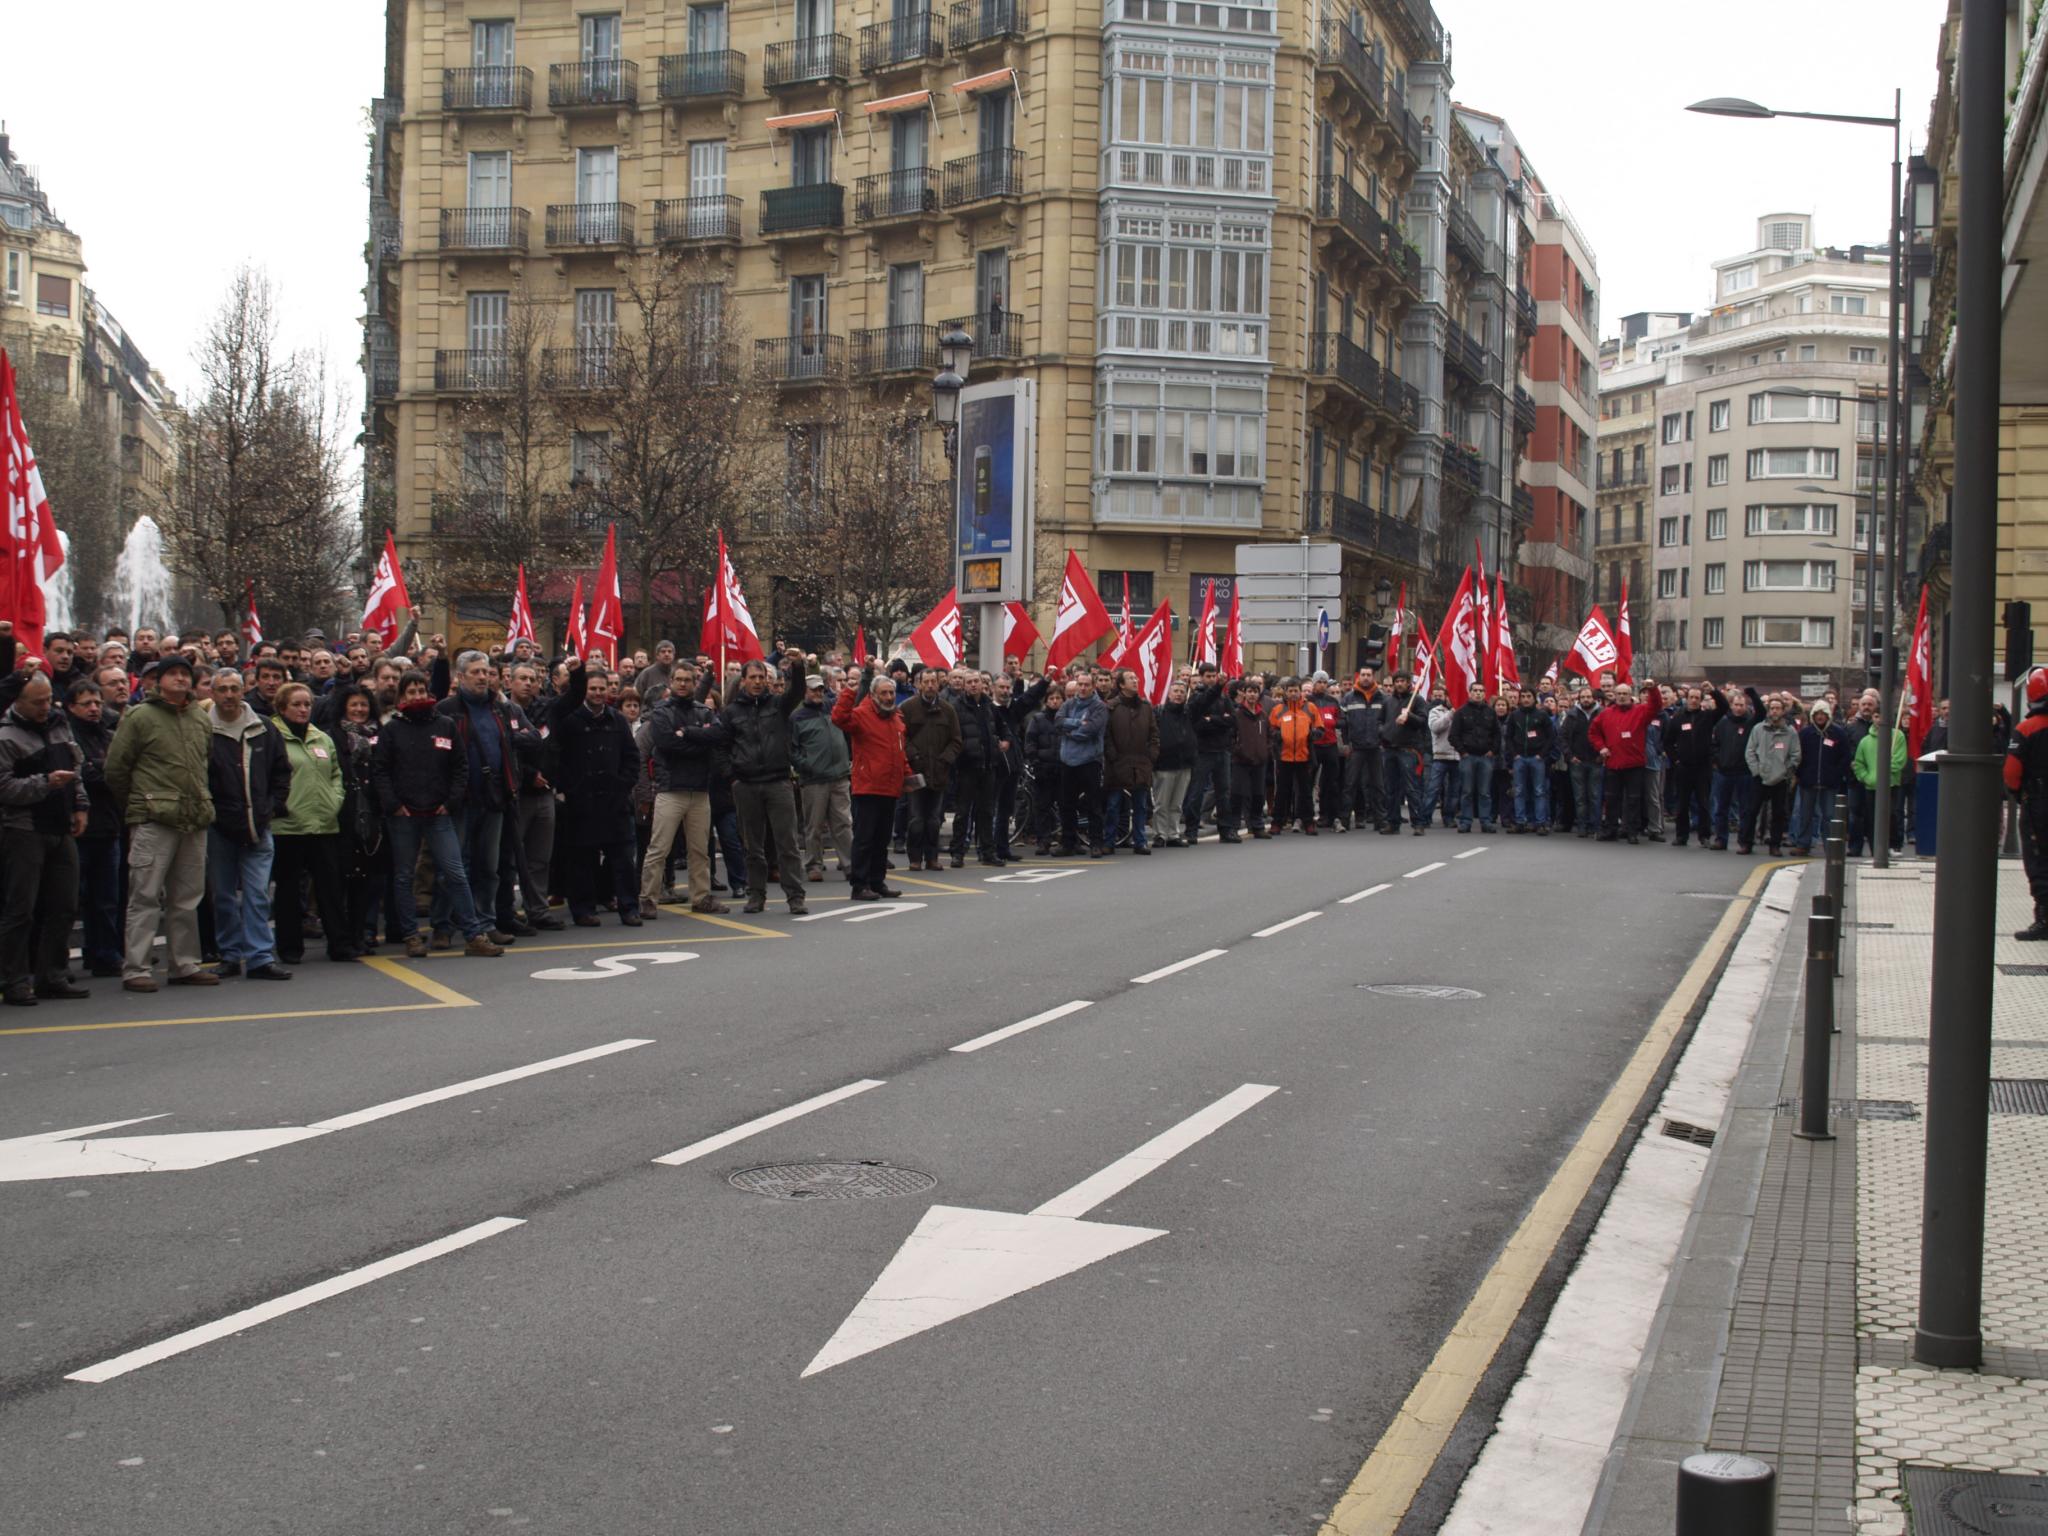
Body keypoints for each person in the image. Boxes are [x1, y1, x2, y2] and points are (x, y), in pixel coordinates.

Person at [105, 655, 221, 992]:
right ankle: (136, 968)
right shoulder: (140, 716)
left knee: (187, 897)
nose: (181, 680)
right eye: (173, 674)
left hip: (194, 816)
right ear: (157, 681)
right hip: (154, 818)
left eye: (186, 674)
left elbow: (205, 761)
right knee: (144, 895)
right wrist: (139, 803)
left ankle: (184, 964)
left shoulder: (200, 717)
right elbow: (116, 768)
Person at [373, 669, 504, 958]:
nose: (417, 696)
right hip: (404, 816)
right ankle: (411, 936)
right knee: (404, 877)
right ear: (402, 696)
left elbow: (460, 767)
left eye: (421, 690)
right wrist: (394, 804)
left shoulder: (444, 725)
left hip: (440, 813)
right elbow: (380, 770)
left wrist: (452, 800)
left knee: (456, 874)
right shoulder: (392, 729)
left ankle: (474, 935)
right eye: (411, 691)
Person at [0, 670, 90, 1005]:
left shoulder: (58, 724)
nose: (44, 707)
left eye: (47, 699)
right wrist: (44, 783)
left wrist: (81, 805)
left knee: (64, 905)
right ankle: (15, 979)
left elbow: (76, 767)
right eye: (37, 702)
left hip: (60, 826)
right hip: (23, 829)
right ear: (18, 702)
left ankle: (52, 973)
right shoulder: (6, 735)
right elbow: (4, 787)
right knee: (20, 909)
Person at [202, 667, 294, 980]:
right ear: (213, 693)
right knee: (224, 896)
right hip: (219, 829)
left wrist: (273, 807)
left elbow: (282, 772)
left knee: (257, 895)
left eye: (234, 688)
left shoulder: (264, 728)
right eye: (222, 689)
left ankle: (259, 957)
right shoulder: (203, 729)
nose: (229, 695)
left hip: (258, 826)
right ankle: (229, 954)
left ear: (244, 691)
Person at [433, 650, 523, 945]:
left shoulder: (500, 709)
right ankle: (443, 926)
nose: (483, 677)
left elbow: (518, 742)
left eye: (485, 672)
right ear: (460, 677)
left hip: (493, 798)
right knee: (453, 867)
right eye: (476, 672)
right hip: (459, 800)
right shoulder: (447, 709)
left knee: (489, 867)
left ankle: (486, 922)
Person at [549, 667, 646, 926]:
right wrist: (571, 789)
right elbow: (560, 759)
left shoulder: (618, 720)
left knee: (624, 860)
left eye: (602, 688)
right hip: (582, 803)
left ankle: (629, 907)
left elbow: (632, 758)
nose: (598, 693)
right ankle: (583, 909)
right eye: (593, 688)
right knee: (582, 860)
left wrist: (623, 784)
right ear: (585, 690)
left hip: (615, 802)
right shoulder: (571, 721)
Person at [719, 652, 811, 915]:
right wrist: (732, 776)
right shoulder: (732, 712)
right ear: (743, 681)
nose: (758, 682)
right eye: (753, 677)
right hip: (746, 785)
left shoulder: (779, 705)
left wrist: (796, 665)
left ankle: (795, 896)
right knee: (752, 847)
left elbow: (798, 690)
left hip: (778, 782)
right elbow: (722, 747)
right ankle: (756, 895)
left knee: (788, 844)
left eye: (762, 677)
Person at [270, 682, 354, 965]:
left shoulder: (322, 738)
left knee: (331, 888)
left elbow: (335, 775)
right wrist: (281, 807)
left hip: (323, 823)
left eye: (307, 704)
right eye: (296, 704)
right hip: (289, 826)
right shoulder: (272, 736)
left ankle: (340, 945)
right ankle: (290, 948)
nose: (303, 709)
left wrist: (334, 802)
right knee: (289, 891)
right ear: (282, 708)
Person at [642, 664, 731, 916]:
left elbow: (718, 735)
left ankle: (701, 897)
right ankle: (648, 898)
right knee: (659, 848)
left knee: (700, 850)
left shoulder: (703, 711)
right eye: (678, 680)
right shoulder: (660, 712)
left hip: (700, 790)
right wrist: (699, 741)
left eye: (688, 680)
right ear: (671, 682)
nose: (683, 684)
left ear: (694, 683)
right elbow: (666, 743)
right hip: (670, 788)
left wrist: (688, 734)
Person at [832, 663, 909, 901]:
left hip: (890, 787)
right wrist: (849, 691)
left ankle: (877, 881)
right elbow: (839, 717)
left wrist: (907, 774)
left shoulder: (896, 718)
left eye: (891, 693)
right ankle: (860, 884)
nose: (888, 697)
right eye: (884, 693)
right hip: (868, 787)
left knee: (881, 839)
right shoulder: (862, 714)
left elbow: (899, 751)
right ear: (874, 695)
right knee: (864, 839)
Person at [64, 679, 125, 978]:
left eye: (97, 703)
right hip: (77, 827)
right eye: (86, 703)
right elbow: (84, 773)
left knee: (106, 899)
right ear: (71, 707)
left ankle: (104, 954)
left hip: (108, 825)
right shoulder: (66, 735)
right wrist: (103, 769)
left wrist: (101, 769)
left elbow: (120, 772)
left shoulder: (109, 734)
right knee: (69, 898)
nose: (93, 709)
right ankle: (56, 961)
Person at [792, 672, 855, 882]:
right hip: (814, 779)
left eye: (820, 689)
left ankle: (850, 864)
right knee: (814, 825)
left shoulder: (831, 707)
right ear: (804, 692)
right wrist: (807, 766)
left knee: (843, 824)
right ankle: (813, 865)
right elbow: (791, 749)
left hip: (839, 775)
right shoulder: (796, 717)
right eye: (813, 690)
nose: (818, 693)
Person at [899, 667, 961, 872]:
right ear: (918, 684)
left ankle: (932, 857)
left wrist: (945, 760)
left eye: (933, 682)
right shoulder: (907, 708)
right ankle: (915, 858)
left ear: (938, 683)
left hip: (939, 772)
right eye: (925, 682)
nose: (930, 686)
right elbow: (901, 738)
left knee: (934, 820)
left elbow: (956, 741)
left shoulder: (948, 709)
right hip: (916, 772)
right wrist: (913, 756)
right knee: (916, 819)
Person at [945, 668, 1005, 867]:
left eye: (975, 681)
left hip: (988, 766)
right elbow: (953, 736)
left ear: (982, 684)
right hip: (967, 767)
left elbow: (999, 728)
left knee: (987, 811)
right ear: (964, 685)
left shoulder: (989, 706)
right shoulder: (956, 706)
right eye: (968, 682)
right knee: (963, 812)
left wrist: (1001, 743)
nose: (972, 685)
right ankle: (958, 852)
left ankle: (987, 852)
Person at [1588, 677, 1660, 843]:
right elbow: (1593, 732)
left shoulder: (1640, 711)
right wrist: (1601, 747)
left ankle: (1632, 831)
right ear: (1614, 695)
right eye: (1619, 693)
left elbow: (1655, 706)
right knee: (1612, 798)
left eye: (1625, 694)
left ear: (1630, 695)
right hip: (1613, 764)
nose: (1621, 697)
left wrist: (1652, 689)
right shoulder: (1605, 714)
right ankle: (1611, 830)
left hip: (1634, 764)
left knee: (1634, 799)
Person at [2005, 668, 2048, 940]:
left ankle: (2043, 918)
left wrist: (2018, 793)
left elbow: (2011, 772)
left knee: (2038, 858)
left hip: (2037, 803)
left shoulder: (2026, 729)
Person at [1103, 668, 1161, 854]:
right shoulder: (1111, 706)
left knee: (1140, 806)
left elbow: (1154, 734)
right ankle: (1109, 841)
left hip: (1141, 762)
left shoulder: (1145, 706)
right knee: (1113, 806)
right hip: (1118, 763)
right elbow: (1106, 735)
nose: (1135, 681)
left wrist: (1151, 755)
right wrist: (1112, 755)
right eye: (1130, 678)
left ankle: (1140, 841)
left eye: (1136, 678)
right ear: (1121, 684)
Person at [1741, 694, 1802, 857]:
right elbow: (1750, 752)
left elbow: (1795, 755)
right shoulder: (1758, 729)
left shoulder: (1790, 732)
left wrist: (1786, 772)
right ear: (1768, 711)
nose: (1775, 711)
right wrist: (1756, 771)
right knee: (1751, 811)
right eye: (1772, 708)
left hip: (1780, 778)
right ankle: (1746, 842)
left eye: (1778, 708)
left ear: (1783, 711)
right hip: (1760, 776)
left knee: (1779, 813)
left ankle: (1775, 845)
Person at [1055, 676, 1110, 855]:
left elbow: (1091, 730)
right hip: (1067, 761)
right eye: (1080, 684)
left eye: (1087, 685)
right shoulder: (1068, 704)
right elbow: (1058, 722)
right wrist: (1078, 723)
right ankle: (1068, 843)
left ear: (1093, 686)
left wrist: (1069, 732)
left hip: (1089, 761)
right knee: (1066, 804)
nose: (1083, 688)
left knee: (1094, 805)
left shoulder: (1099, 707)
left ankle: (1096, 843)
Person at [1790, 700, 1850, 855]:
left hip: (1829, 783)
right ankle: (1803, 844)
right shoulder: (1805, 734)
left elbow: (1845, 757)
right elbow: (1797, 755)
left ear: (1828, 715)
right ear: (1813, 716)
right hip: (1808, 782)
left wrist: (1836, 774)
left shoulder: (1838, 734)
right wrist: (1800, 774)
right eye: (1817, 714)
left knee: (1829, 816)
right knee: (1805, 815)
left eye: (1823, 714)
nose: (1820, 717)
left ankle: (1830, 846)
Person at [1851, 705, 1908, 857]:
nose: (1879, 719)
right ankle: (1875, 847)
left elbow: (1899, 760)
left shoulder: (1898, 736)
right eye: (1876, 716)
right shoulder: (1865, 741)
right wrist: (1866, 777)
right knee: (1871, 817)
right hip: (1871, 785)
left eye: (1882, 716)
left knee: (1891, 815)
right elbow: (1859, 763)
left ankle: (1892, 845)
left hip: (1890, 783)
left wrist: (1885, 773)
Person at [1380, 672, 1430, 836]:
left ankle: (1418, 822)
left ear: (1409, 683)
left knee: (1412, 788)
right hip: (1390, 749)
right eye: (1397, 681)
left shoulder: (1417, 700)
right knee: (1390, 788)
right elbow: (1380, 721)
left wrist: (1409, 716)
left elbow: (1423, 721)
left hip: (1408, 750)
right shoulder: (1388, 701)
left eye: (1402, 681)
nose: (1399, 684)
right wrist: (1383, 732)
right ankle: (1392, 822)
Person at [1268, 681, 1319, 834]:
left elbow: (1320, 728)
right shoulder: (1278, 709)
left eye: (1296, 690)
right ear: (1286, 692)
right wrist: (1279, 736)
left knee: (1305, 792)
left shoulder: (1310, 708)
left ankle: (1309, 823)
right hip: (1284, 756)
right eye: (1290, 691)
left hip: (1304, 756)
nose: (1293, 693)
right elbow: (1270, 729)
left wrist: (1311, 735)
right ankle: (1277, 823)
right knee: (1282, 792)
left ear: (1300, 692)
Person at [1448, 684, 1500, 834]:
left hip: (1485, 757)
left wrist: (1493, 750)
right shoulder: (1461, 712)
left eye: (1481, 691)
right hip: (1468, 757)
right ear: (1470, 693)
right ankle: (1465, 821)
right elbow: (1453, 735)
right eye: (1475, 691)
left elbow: (1497, 734)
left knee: (1484, 791)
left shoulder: (1490, 712)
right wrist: (1462, 751)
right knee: (1467, 791)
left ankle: (1485, 821)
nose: (1478, 693)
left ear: (1485, 694)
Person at [1709, 692, 1756, 852]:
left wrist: (1753, 694)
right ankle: (1721, 839)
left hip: (1744, 772)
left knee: (1745, 809)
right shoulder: (1723, 723)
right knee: (1721, 808)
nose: (1738, 708)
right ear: (1731, 705)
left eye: (1741, 705)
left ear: (1746, 706)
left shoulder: (1751, 723)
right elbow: (1714, 744)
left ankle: (1745, 841)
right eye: (1736, 705)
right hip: (1724, 772)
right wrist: (1717, 761)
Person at [1226, 678, 1271, 841]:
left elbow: (1269, 736)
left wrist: (1266, 751)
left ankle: (1257, 826)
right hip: (1241, 761)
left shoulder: (1263, 715)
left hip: (1259, 761)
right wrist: (1237, 751)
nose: (1252, 695)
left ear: (1259, 694)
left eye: (1255, 692)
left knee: (1258, 795)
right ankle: (1233, 827)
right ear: (1244, 694)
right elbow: (1230, 737)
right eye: (1249, 692)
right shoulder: (1237, 714)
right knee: (1237, 795)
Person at [1153, 677, 1196, 847]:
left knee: (1177, 803)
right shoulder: (1159, 712)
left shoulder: (1188, 713)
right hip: (1164, 764)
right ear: (1169, 694)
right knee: (1161, 802)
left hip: (1184, 764)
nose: (1178, 695)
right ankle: (1160, 834)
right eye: (1175, 692)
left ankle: (1173, 834)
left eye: (1182, 692)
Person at [1504, 686, 1554, 834]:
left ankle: (1540, 823)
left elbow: (1551, 737)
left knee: (1539, 791)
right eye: (1523, 696)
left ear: (1534, 698)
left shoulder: (1542, 715)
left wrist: (1542, 754)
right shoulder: (1514, 716)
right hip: (1520, 758)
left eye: (1529, 696)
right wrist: (1514, 755)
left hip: (1537, 758)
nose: (1526, 699)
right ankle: (1520, 822)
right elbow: (1508, 737)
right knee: (1519, 791)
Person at [1339, 669, 1383, 833]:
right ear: (1359, 677)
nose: (1365, 678)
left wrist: (1382, 737)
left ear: (1373, 677)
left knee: (1378, 786)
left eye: (1368, 675)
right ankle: (1344, 820)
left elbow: (1387, 721)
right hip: (1356, 748)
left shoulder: (1382, 698)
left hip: (1375, 747)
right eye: (1363, 675)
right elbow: (1342, 723)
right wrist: (1346, 743)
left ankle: (1380, 821)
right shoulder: (1348, 699)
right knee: (1350, 785)